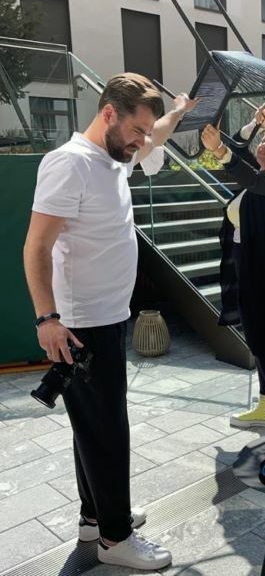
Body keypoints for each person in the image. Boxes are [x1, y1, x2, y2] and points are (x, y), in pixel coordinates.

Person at [23, 72, 198, 571]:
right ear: (108, 115)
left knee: (91, 429)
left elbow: (158, 132)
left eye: (145, 133)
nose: (143, 142)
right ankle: (116, 540)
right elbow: (35, 247)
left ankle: (94, 519)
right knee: (107, 431)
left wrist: (179, 112)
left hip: (108, 316)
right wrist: (47, 318)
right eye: (136, 131)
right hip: (81, 324)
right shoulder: (70, 164)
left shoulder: (114, 156)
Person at [201, 106, 265, 428]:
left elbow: (247, 174)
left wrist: (218, 150)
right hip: (250, 267)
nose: (263, 145)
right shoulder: (261, 177)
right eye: (263, 140)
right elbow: (241, 149)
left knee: (263, 346)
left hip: (262, 270)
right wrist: (255, 125)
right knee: (260, 342)